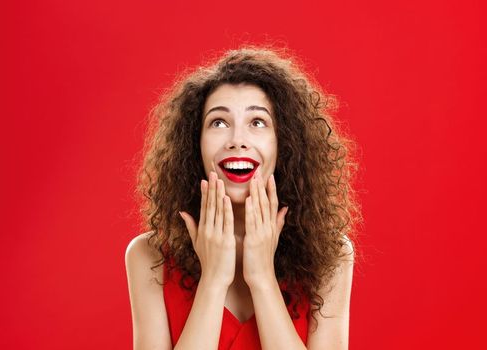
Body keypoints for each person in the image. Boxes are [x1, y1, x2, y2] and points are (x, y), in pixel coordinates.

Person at [125, 46, 361, 350]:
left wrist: (262, 277)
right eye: (219, 123)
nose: (237, 141)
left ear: (283, 143)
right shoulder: (148, 255)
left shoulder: (333, 255)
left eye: (257, 122)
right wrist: (213, 279)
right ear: (194, 144)